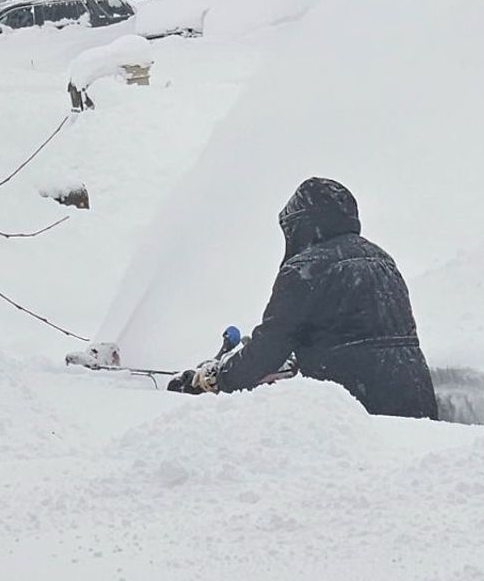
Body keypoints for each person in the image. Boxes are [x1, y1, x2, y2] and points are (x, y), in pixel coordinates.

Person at [186, 177, 438, 420]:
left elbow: (269, 347)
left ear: (303, 225)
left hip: (356, 410)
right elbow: (360, 334)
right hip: (417, 400)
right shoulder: (382, 259)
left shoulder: (305, 269)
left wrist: (218, 378)